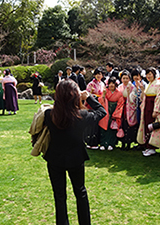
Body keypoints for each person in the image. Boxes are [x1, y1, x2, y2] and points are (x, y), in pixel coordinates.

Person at [44, 79, 106, 225]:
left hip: (55, 157)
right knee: (80, 192)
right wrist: (88, 97)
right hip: (75, 158)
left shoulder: (49, 115)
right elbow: (101, 111)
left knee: (59, 195)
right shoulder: (81, 116)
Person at [137, 67, 160, 156]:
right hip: (147, 106)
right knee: (146, 125)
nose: (148, 76)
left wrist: (156, 110)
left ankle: (152, 147)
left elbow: (158, 98)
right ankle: (147, 146)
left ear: (154, 75)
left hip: (152, 107)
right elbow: (144, 96)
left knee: (152, 126)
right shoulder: (149, 84)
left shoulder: (158, 84)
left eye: (150, 74)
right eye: (147, 74)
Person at [98, 77, 124, 151]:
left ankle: (111, 143)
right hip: (106, 109)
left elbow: (120, 104)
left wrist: (116, 114)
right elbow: (101, 100)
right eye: (110, 83)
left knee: (112, 127)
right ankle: (103, 143)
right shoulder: (105, 91)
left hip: (114, 110)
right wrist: (103, 95)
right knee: (104, 126)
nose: (111, 85)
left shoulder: (119, 93)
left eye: (113, 83)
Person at [85, 67, 106, 149]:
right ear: (94, 75)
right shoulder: (91, 84)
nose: (98, 76)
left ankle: (96, 142)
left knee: (97, 124)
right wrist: (91, 92)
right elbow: (87, 95)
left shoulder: (102, 84)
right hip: (92, 104)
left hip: (99, 104)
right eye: (97, 74)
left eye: (100, 74)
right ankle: (90, 142)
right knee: (91, 124)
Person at [117, 70, 138, 150]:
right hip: (122, 107)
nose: (125, 80)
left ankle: (128, 143)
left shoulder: (132, 87)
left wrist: (129, 94)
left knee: (129, 125)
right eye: (123, 78)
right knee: (122, 124)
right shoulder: (120, 87)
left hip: (129, 107)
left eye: (127, 78)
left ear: (129, 79)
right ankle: (122, 143)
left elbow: (134, 99)